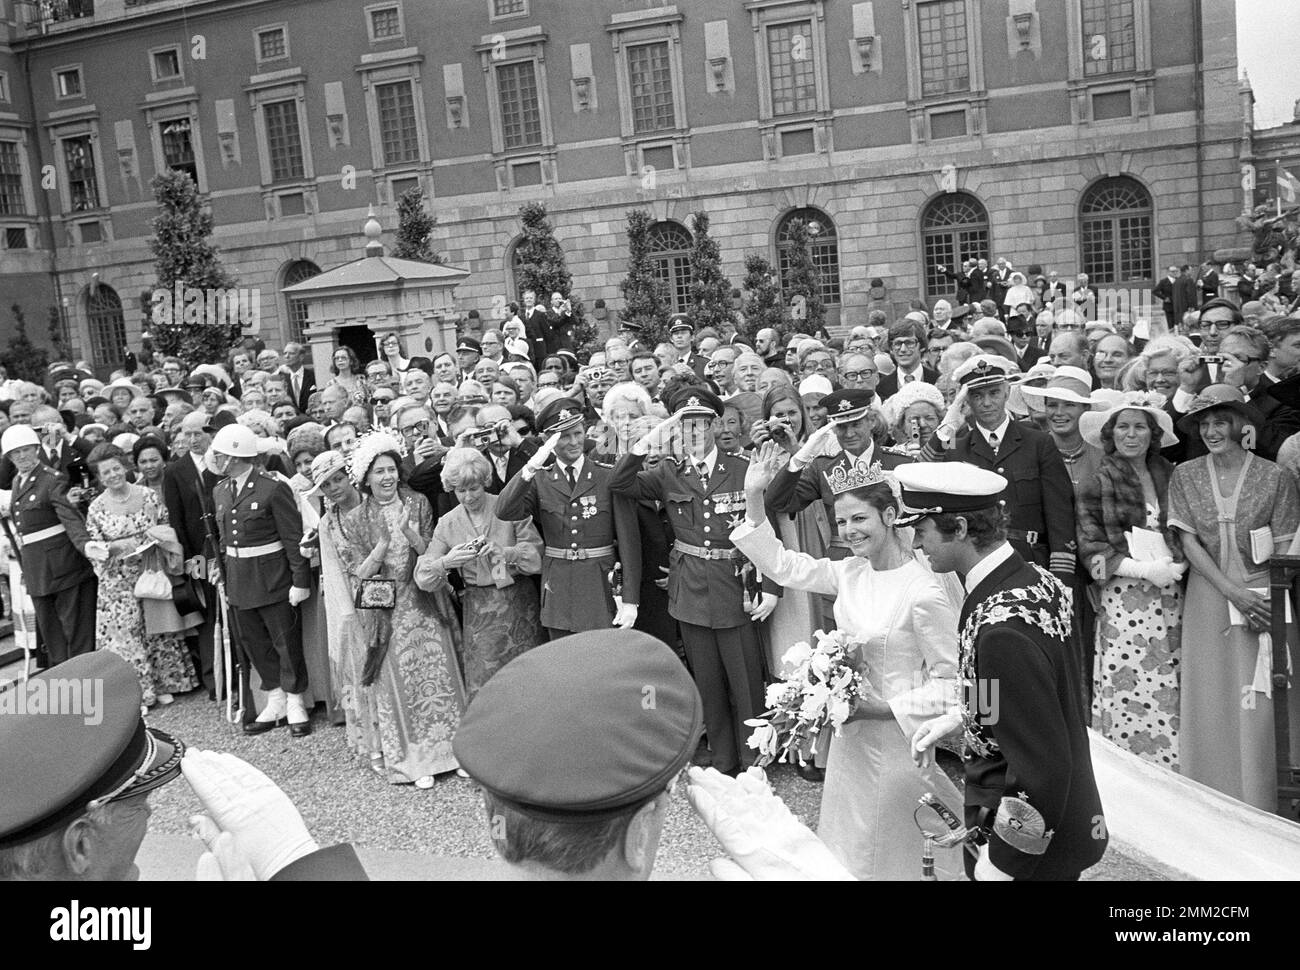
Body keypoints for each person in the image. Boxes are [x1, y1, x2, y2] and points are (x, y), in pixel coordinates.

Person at [733, 444, 964, 879]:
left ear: (891, 517)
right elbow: (783, 566)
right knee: (849, 838)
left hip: (898, 737)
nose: (849, 530)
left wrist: (883, 708)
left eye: (860, 518)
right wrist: (753, 496)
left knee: (895, 844)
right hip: (849, 737)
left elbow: (955, 684)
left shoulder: (923, 592)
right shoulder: (850, 572)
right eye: (842, 521)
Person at [904, 462, 1108, 881]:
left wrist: (1005, 862)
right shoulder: (1034, 578)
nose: (917, 544)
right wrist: (965, 719)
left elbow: (1041, 765)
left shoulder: (1000, 625)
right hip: (1059, 815)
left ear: (959, 527)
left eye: (921, 530)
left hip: (1024, 834)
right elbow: (1033, 698)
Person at [611, 386, 777, 776]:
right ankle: (723, 761)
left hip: (736, 585)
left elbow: (766, 528)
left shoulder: (741, 468)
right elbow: (619, 484)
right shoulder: (668, 472)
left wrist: (771, 585)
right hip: (690, 589)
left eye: (702, 423)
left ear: (716, 424)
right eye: (685, 425)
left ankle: (754, 761)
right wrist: (649, 440)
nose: (695, 432)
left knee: (746, 680)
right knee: (708, 682)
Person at [1166, 384, 1300, 809]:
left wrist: (1262, 599)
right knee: (1211, 691)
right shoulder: (1184, 474)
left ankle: (1263, 798)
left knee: (1261, 697)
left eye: (1220, 421)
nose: (1211, 431)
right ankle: (1210, 799)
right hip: (1209, 594)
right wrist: (1231, 593)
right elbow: (1188, 543)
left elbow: (1284, 547)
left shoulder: (1274, 475)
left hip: (1264, 595)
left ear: (1241, 424)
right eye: (1204, 424)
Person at [336, 430, 467, 788]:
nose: (387, 476)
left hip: (424, 597)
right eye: (379, 471)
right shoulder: (355, 518)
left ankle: (455, 752)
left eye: (392, 469)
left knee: (440, 670)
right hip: (386, 608)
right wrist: (380, 546)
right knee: (402, 680)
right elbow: (360, 574)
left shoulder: (418, 503)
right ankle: (414, 760)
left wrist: (409, 534)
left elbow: (433, 553)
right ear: (366, 477)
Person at [1076, 394, 1184, 768]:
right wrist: (1140, 569)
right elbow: (1091, 550)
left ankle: (1177, 769)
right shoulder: (1098, 480)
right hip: (1126, 600)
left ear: (1153, 434)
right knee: (1132, 686)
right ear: (1111, 433)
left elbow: (1186, 529)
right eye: (1123, 426)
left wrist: (1179, 562)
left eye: (1140, 426)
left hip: (1172, 593)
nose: (1131, 434)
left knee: (1173, 681)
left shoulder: (1170, 473)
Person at [921, 355, 1077, 581]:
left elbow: (1060, 515)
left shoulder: (1038, 443)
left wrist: (1062, 578)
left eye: (994, 393)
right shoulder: (956, 447)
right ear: (967, 401)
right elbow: (923, 474)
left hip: (1031, 561)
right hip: (976, 564)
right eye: (977, 396)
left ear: (1006, 393)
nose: (986, 403)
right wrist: (950, 423)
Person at [496, 398, 641, 637]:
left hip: (600, 585)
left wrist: (630, 598)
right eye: (564, 436)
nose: (574, 442)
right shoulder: (540, 479)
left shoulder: (607, 476)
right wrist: (532, 465)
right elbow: (504, 510)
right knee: (566, 664)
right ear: (548, 441)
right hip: (558, 588)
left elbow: (629, 542)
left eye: (578, 433)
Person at [416, 447, 543, 700]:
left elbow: (536, 558)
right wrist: (446, 562)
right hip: (479, 608)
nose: (468, 496)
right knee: (486, 682)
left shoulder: (509, 507)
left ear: (484, 481)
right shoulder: (447, 523)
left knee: (529, 675)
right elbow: (423, 577)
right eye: (460, 490)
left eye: (474, 488)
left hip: (518, 602)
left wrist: (505, 553)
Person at [211, 423, 313, 737]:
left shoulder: (272, 487)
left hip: (273, 577)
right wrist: (220, 569)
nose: (216, 459)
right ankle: (275, 698)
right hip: (240, 579)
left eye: (221, 455)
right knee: (255, 642)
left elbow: (293, 537)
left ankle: (296, 701)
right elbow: (223, 538)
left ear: (236, 456)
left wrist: (300, 580)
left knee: (285, 641)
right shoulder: (220, 490)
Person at [83, 443, 198, 708]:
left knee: (156, 627)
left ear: (125, 467)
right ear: (99, 478)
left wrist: (155, 539)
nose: (112, 475)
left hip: (149, 566)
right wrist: (113, 550)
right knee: (127, 635)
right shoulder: (96, 507)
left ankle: (165, 683)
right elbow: (94, 546)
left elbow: (167, 526)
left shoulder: (148, 495)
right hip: (117, 578)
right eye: (106, 473)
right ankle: (138, 692)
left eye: (116, 468)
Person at [0, 425, 97, 666]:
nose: (21, 457)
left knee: (77, 632)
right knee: (52, 635)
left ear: (36, 449)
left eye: (26, 450)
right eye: (15, 453)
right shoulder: (16, 482)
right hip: (36, 568)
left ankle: (86, 681)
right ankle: (64, 682)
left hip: (64, 565)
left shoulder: (52, 479)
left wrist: (86, 546)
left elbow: (70, 519)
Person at [307, 451, 371, 759]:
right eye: (326, 484)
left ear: (350, 477)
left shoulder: (375, 505)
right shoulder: (327, 524)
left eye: (338, 479)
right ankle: (372, 737)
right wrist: (347, 612)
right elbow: (331, 569)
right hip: (355, 595)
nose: (334, 488)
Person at [131, 435, 169, 502]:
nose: (149, 466)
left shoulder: (179, 484)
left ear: (164, 461)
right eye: (143, 462)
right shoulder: (135, 491)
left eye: (154, 460)